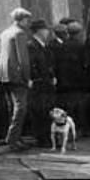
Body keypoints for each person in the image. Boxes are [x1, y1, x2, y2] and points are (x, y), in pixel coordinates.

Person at [0, 7, 33, 150]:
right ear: (21, 20)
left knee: (11, 106)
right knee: (21, 107)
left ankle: (14, 137)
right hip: (16, 75)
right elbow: (23, 59)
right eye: (27, 19)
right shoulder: (20, 33)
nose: (29, 23)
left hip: (3, 74)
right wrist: (27, 77)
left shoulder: (4, 33)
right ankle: (13, 138)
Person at [27, 19, 57, 147]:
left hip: (47, 82)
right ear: (39, 31)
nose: (47, 32)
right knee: (40, 110)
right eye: (45, 30)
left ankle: (47, 137)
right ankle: (42, 138)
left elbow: (49, 63)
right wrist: (35, 78)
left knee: (47, 110)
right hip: (39, 82)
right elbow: (32, 65)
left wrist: (53, 76)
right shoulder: (31, 45)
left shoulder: (44, 45)